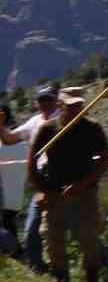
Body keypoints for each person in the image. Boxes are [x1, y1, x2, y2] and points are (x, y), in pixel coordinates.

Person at [28, 93, 108, 282]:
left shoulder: (92, 128)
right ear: (60, 105)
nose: (76, 110)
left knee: (88, 235)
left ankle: (92, 277)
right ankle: (60, 277)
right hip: (53, 190)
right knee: (52, 235)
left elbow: (105, 159)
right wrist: (40, 189)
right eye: (70, 106)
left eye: (79, 106)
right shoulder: (47, 129)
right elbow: (32, 161)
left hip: (85, 192)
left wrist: (83, 184)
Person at [13, 85, 61, 272]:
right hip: (43, 182)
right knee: (31, 231)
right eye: (41, 100)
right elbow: (11, 138)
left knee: (81, 228)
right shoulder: (34, 122)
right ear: (36, 102)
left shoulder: (62, 119)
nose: (45, 103)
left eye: (48, 99)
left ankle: (104, 265)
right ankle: (37, 268)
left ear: (56, 100)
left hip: (64, 181)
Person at [0, 106, 27, 256]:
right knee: (8, 220)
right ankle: (15, 251)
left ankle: (15, 252)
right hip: (12, 188)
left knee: (7, 219)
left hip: (11, 187)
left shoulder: (14, 137)